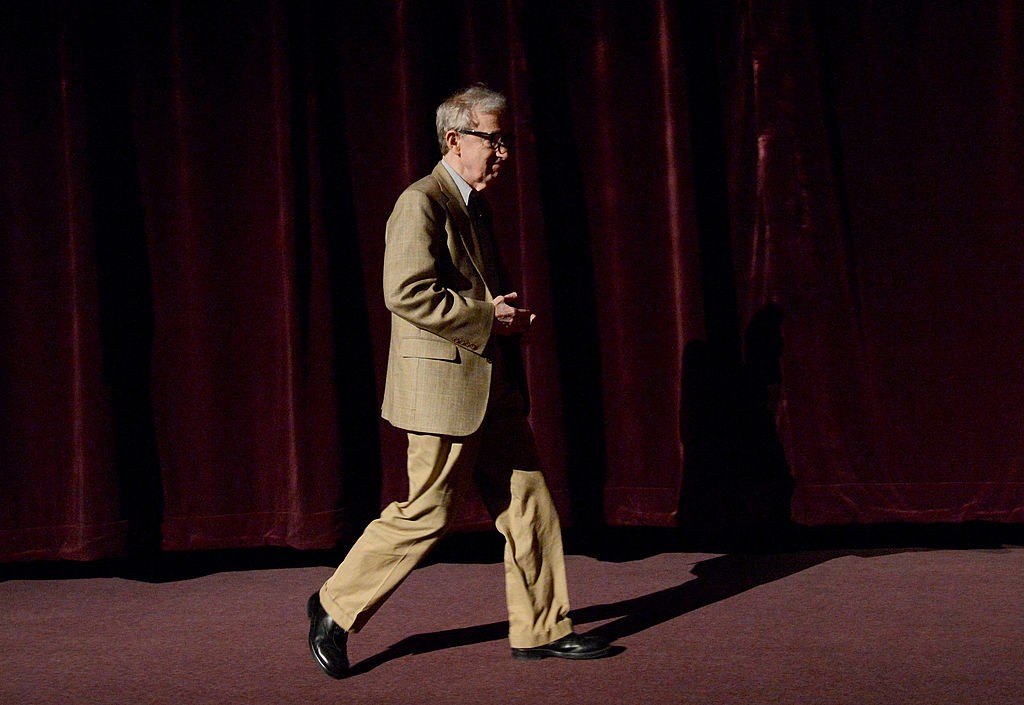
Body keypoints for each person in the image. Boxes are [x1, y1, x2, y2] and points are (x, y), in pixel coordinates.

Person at [306, 84, 612, 678]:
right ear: (455, 139)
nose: (503, 153)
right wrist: (485, 318)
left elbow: (469, 295)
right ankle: (333, 606)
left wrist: (501, 321)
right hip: (444, 389)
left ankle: (543, 629)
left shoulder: (472, 204)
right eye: (492, 140)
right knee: (428, 512)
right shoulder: (421, 202)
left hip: (487, 385)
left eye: (506, 141)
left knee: (530, 504)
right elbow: (405, 292)